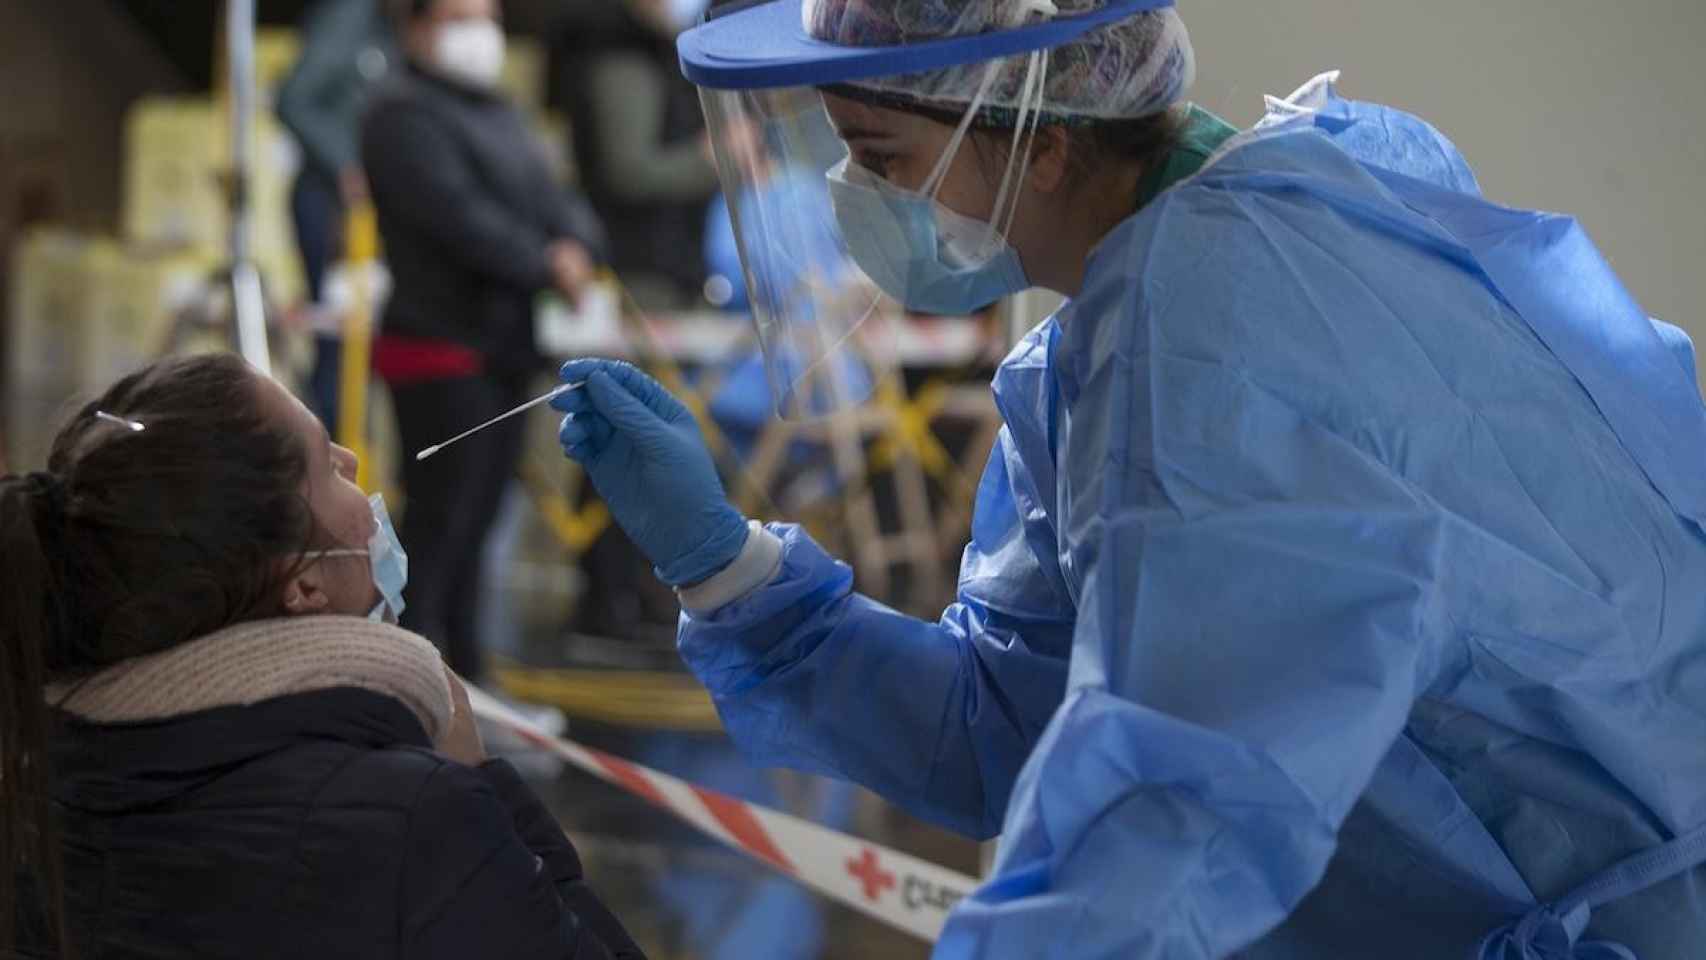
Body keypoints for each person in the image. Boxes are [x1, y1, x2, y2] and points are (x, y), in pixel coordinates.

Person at [550, 0, 1706, 957]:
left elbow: (1171, 815)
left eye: (880, 158)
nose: (854, 199)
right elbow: (1020, 722)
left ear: (1041, 144)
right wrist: (730, 569)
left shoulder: (1211, 334)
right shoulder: (1188, 282)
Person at [0, 353, 645, 959]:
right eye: (326, 465)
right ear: (303, 584)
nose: (353, 462)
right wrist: (486, 782)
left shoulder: (36, 789)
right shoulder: (421, 821)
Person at [362, 0, 607, 680]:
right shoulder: (399, 114)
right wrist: (544, 262)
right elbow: (456, 218)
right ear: (414, 27)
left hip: (503, 348)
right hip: (437, 350)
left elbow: (554, 196)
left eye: (485, 16)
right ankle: (403, 677)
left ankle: (468, 681)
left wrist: (577, 245)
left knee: (479, 529)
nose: (478, 33)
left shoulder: (498, 110)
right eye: (457, 16)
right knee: (440, 525)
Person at [276, 0, 398, 431]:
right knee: (340, 345)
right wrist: (345, 163)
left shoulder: (396, 27)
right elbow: (293, 99)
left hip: (376, 212)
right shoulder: (349, 18)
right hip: (334, 209)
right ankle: (331, 464)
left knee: (363, 349)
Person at [558, 0, 718, 309]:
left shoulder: (661, 51)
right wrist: (709, 160)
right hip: (640, 272)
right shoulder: (622, 57)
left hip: (671, 264)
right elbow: (629, 171)